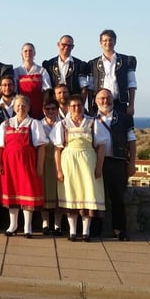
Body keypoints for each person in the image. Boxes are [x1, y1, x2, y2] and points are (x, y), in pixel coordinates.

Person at [51, 95, 107, 242]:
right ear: (69, 108)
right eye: (74, 106)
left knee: (87, 193)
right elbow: (57, 149)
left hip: (88, 162)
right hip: (68, 162)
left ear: (83, 106)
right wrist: (58, 170)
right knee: (71, 194)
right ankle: (72, 231)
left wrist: (99, 167)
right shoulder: (62, 124)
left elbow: (102, 146)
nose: (77, 108)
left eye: (79, 105)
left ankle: (86, 232)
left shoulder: (93, 122)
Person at [0, 95, 47, 238]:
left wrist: (39, 166)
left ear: (29, 108)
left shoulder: (34, 123)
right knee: (12, 193)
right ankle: (13, 225)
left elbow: (41, 146)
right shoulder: (6, 124)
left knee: (27, 192)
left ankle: (27, 226)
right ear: (14, 107)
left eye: (24, 105)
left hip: (27, 164)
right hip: (9, 165)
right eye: (18, 105)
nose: (21, 108)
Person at [95, 88, 136, 241]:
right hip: (97, 162)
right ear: (96, 101)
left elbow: (132, 141)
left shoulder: (124, 118)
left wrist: (132, 163)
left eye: (108, 97)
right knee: (96, 196)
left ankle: (119, 229)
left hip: (118, 162)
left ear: (113, 99)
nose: (105, 101)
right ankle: (95, 229)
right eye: (102, 98)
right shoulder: (91, 119)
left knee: (117, 198)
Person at [88, 29, 137, 116]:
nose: (108, 42)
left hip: (120, 105)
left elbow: (132, 84)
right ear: (100, 43)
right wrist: (90, 108)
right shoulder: (93, 63)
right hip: (100, 105)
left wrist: (131, 105)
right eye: (105, 40)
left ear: (115, 42)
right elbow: (90, 87)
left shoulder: (126, 61)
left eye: (110, 40)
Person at [39, 99, 64, 236]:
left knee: (58, 191)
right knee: (44, 191)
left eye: (53, 108)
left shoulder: (63, 124)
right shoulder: (38, 124)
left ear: (57, 110)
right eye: (47, 109)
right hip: (43, 161)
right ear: (43, 110)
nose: (50, 111)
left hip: (59, 161)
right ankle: (45, 223)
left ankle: (57, 224)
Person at [42, 35, 89, 100]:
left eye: (69, 45)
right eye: (64, 45)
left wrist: (81, 103)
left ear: (73, 47)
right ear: (58, 44)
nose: (66, 47)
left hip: (73, 102)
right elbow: (46, 89)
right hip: (54, 103)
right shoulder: (49, 64)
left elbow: (84, 88)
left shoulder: (79, 64)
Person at [13, 43, 51, 120]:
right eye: (25, 51)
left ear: (34, 53)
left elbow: (47, 89)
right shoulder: (16, 71)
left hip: (38, 106)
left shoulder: (41, 70)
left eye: (30, 51)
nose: (28, 53)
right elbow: (14, 91)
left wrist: (45, 105)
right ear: (22, 54)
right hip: (22, 106)